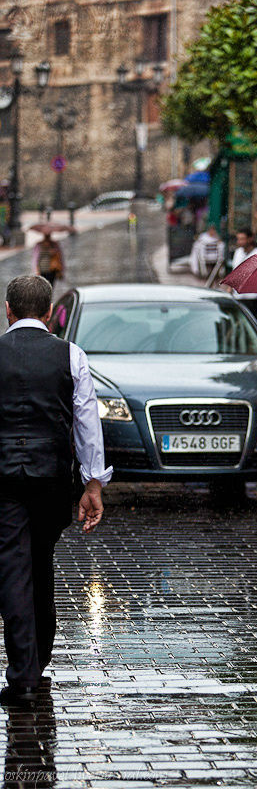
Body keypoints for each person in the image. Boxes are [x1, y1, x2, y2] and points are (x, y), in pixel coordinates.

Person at [0, 275, 112, 705]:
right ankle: (37, 656)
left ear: (8, 310)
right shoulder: (72, 355)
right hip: (51, 476)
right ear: (49, 314)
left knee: (13, 568)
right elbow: (87, 422)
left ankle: (25, 672)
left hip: (4, 479)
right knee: (40, 560)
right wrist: (93, 482)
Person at [230, 228, 257, 318]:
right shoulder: (238, 252)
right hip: (238, 296)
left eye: (242, 239)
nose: (239, 242)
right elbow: (234, 272)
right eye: (238, 239)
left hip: (252, 297)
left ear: (250, 239)